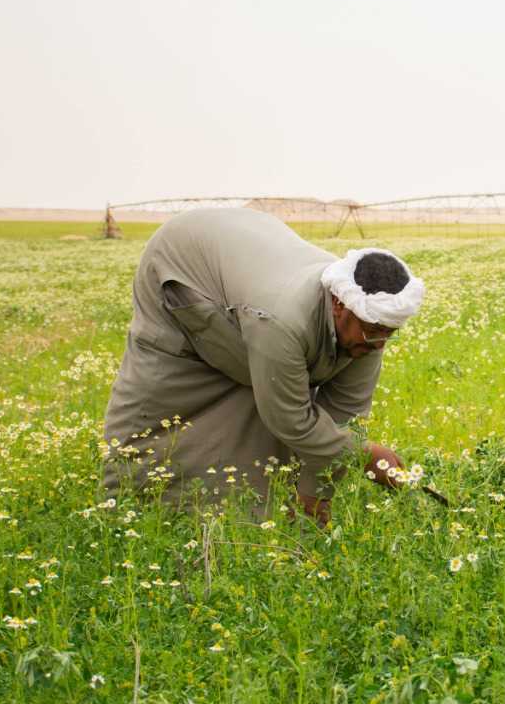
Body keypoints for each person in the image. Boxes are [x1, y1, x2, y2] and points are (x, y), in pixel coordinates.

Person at [102, 207, 424, 524]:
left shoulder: (368, 327)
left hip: (248, 273)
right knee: (170, 402)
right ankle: (133, 508)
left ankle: (250, 516)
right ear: (339, 304)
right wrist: (362, 455)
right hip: (184, 266)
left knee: (277, 392)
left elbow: (343, 420)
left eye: (389, 333)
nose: (380, 343)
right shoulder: (283, 321)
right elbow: (292, 421)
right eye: (375, 332)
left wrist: (316, 496)